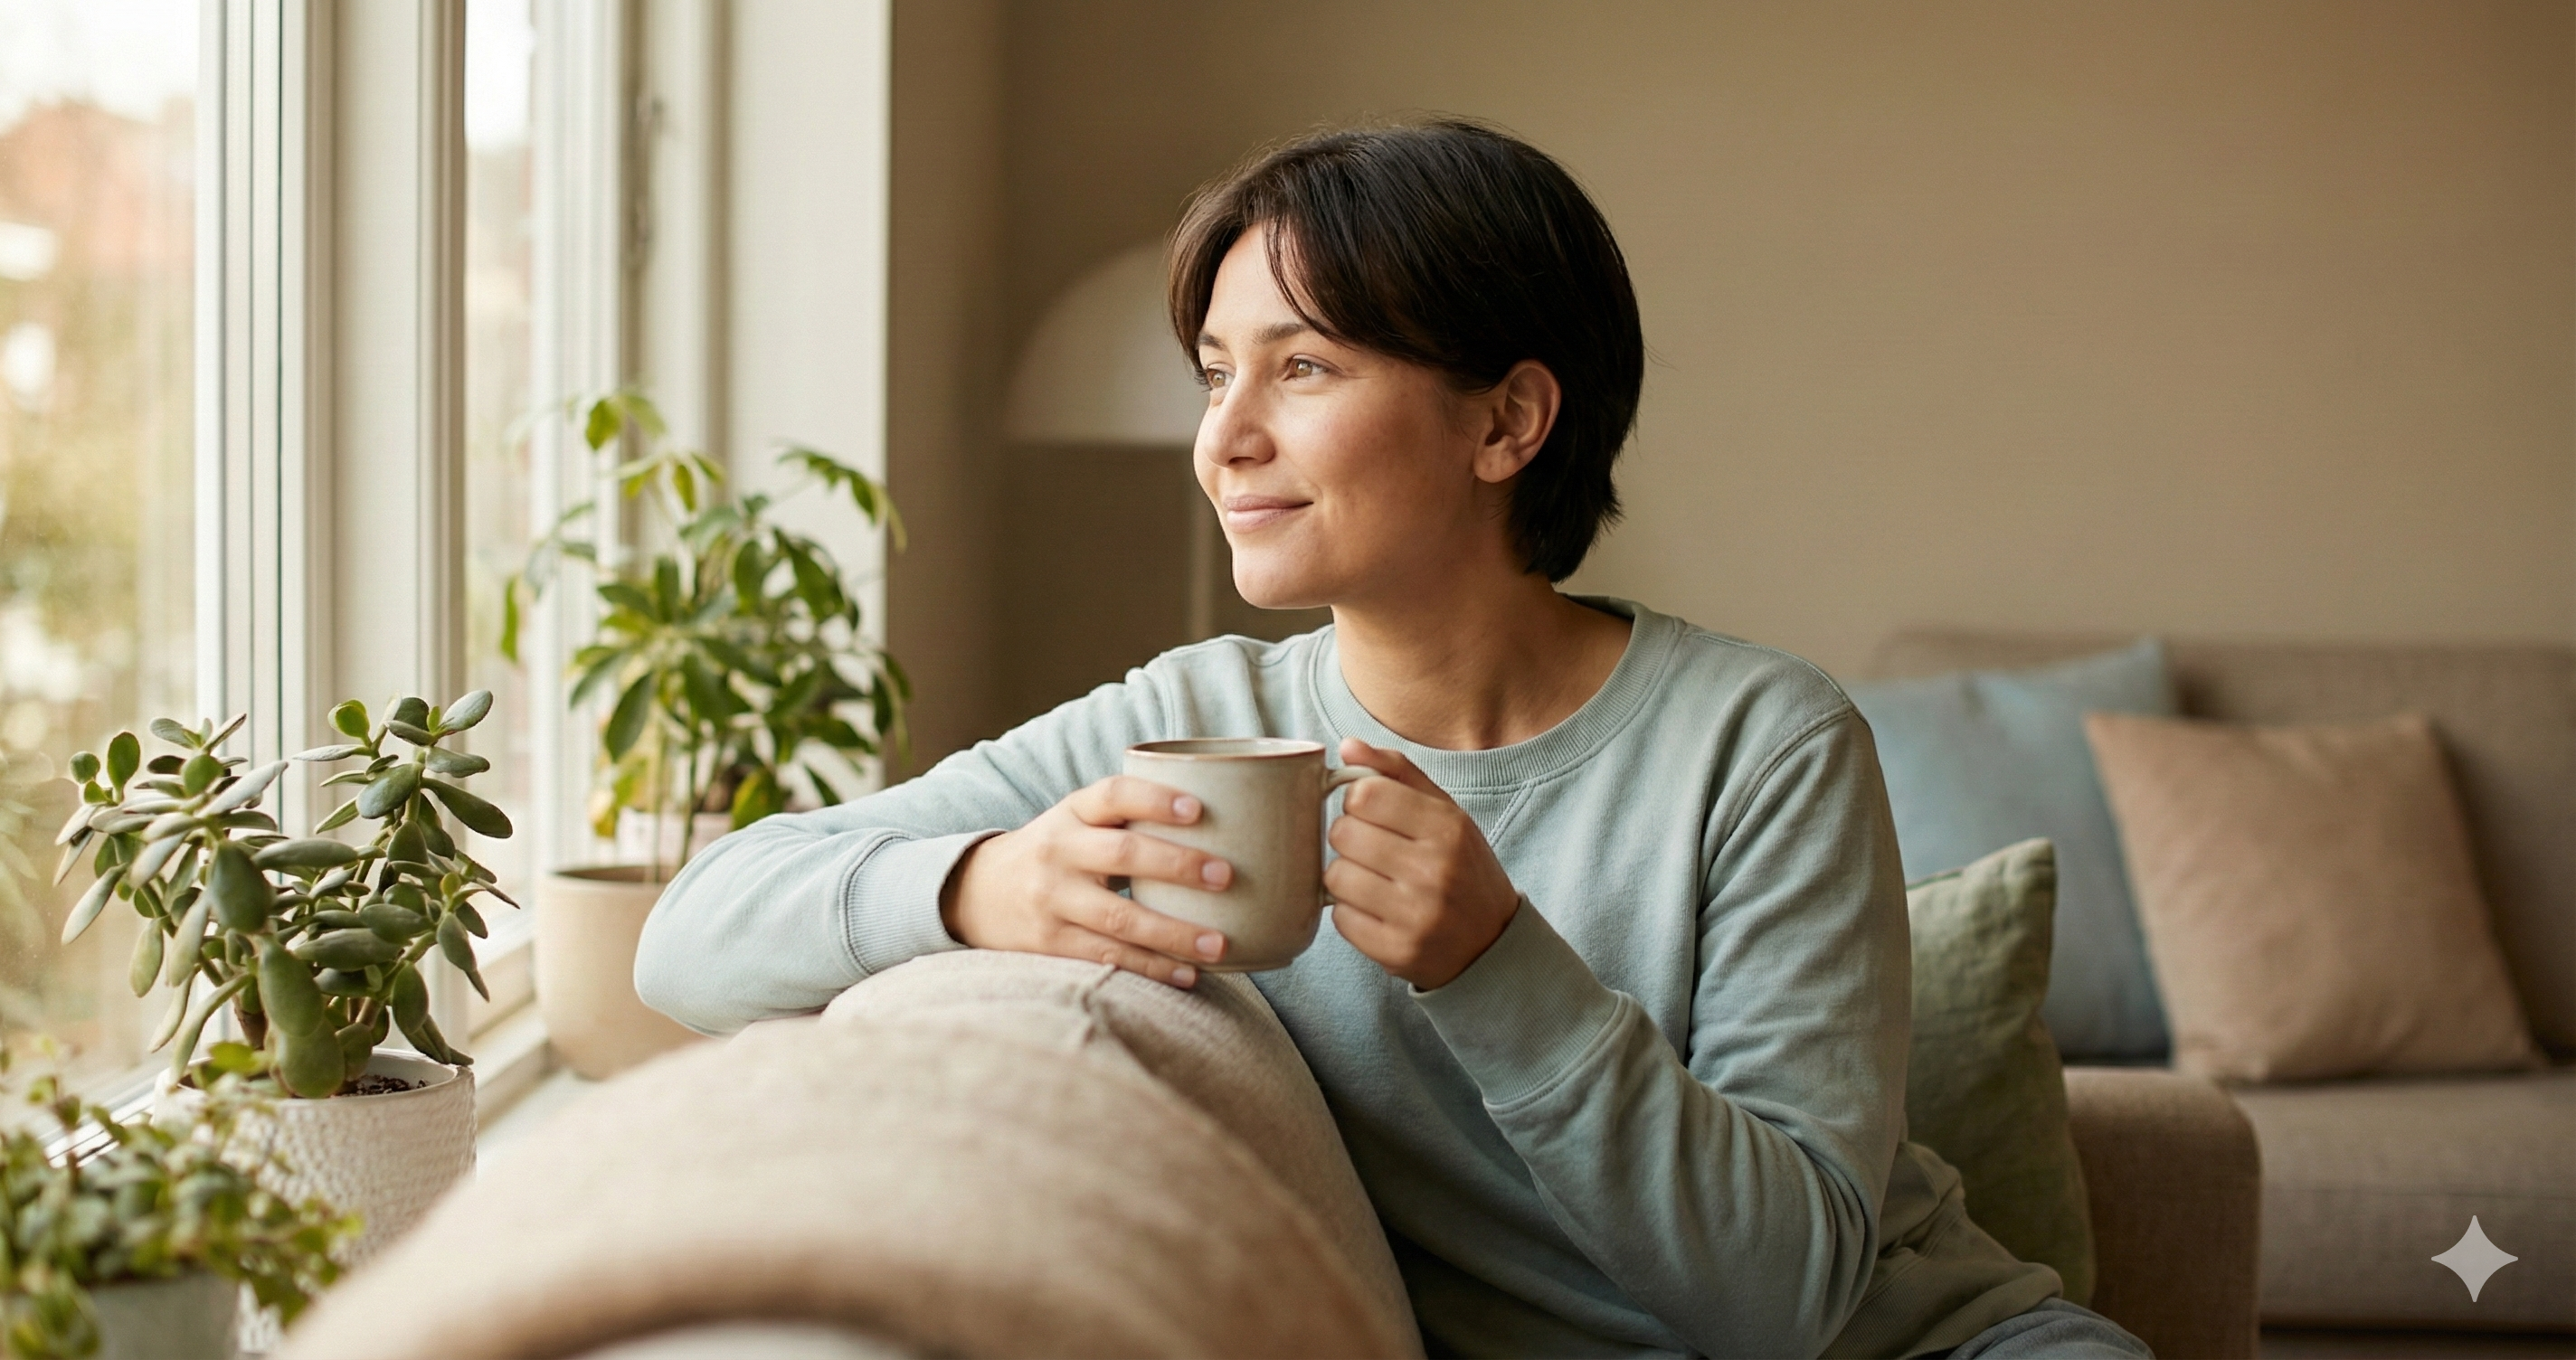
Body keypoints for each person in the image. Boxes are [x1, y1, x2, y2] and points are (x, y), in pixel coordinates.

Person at [635, 119, 2152, 1360]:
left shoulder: (1762, 744)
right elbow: (687, 938)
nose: (1224, 439)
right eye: (1216, 371)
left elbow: (1783, 1306)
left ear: (1508, 424)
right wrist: (979, 888)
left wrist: (1501, 970)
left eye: (1302, 368)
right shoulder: (1197, 727)